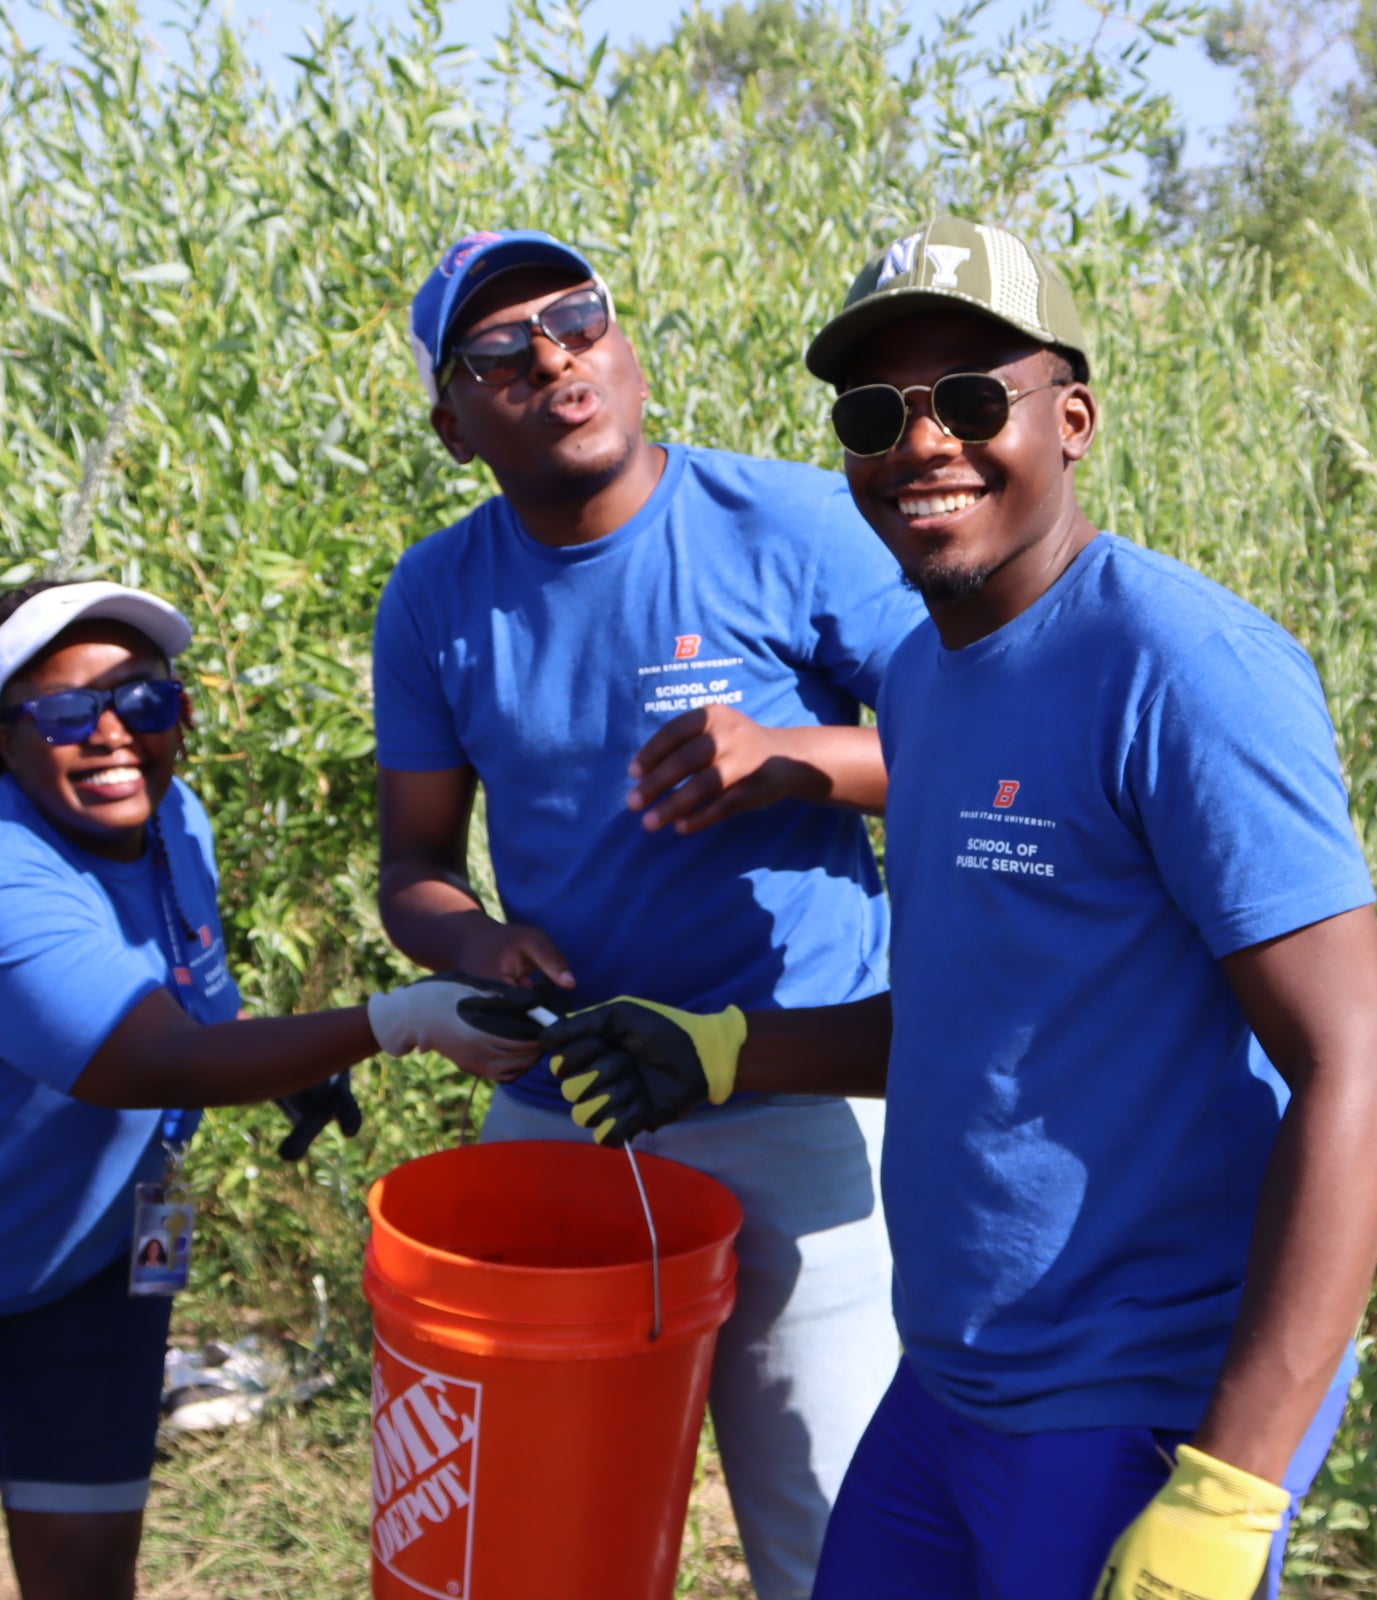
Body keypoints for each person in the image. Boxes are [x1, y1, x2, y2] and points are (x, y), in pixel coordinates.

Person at [532, 218, 1377, 1600]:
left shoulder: (1182, 669)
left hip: (1135, 1400)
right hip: (949, 1379)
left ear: (1070, 418)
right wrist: (727, 1049)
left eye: (970, 398)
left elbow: (1357, 1067)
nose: (923, 442)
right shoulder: (925, 678)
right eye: (879, 410)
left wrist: (1233, 1486)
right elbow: (984, 1009)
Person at [0, 579, 540, 1600]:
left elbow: (190, 1009)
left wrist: (292, 1063)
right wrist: (401, 1020)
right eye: (67, 711)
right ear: (6, 738)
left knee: (88, 1570)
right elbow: (146, 1059)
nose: (113, 734)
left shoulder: (173, 825)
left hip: (88, 1261)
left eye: (144, 701)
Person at [374, 228, 926, 1599]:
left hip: (799, 1100)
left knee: (830, 1534)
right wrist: (473, 943)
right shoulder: (437, 597)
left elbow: (983, 756)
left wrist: (793, 758)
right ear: (454, 423)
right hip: (573, 1111)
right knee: (540, 1537)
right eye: (499, 352)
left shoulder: (790, 525)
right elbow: (417, 871)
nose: (552, 356)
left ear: (623, 342)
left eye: (576, 317)